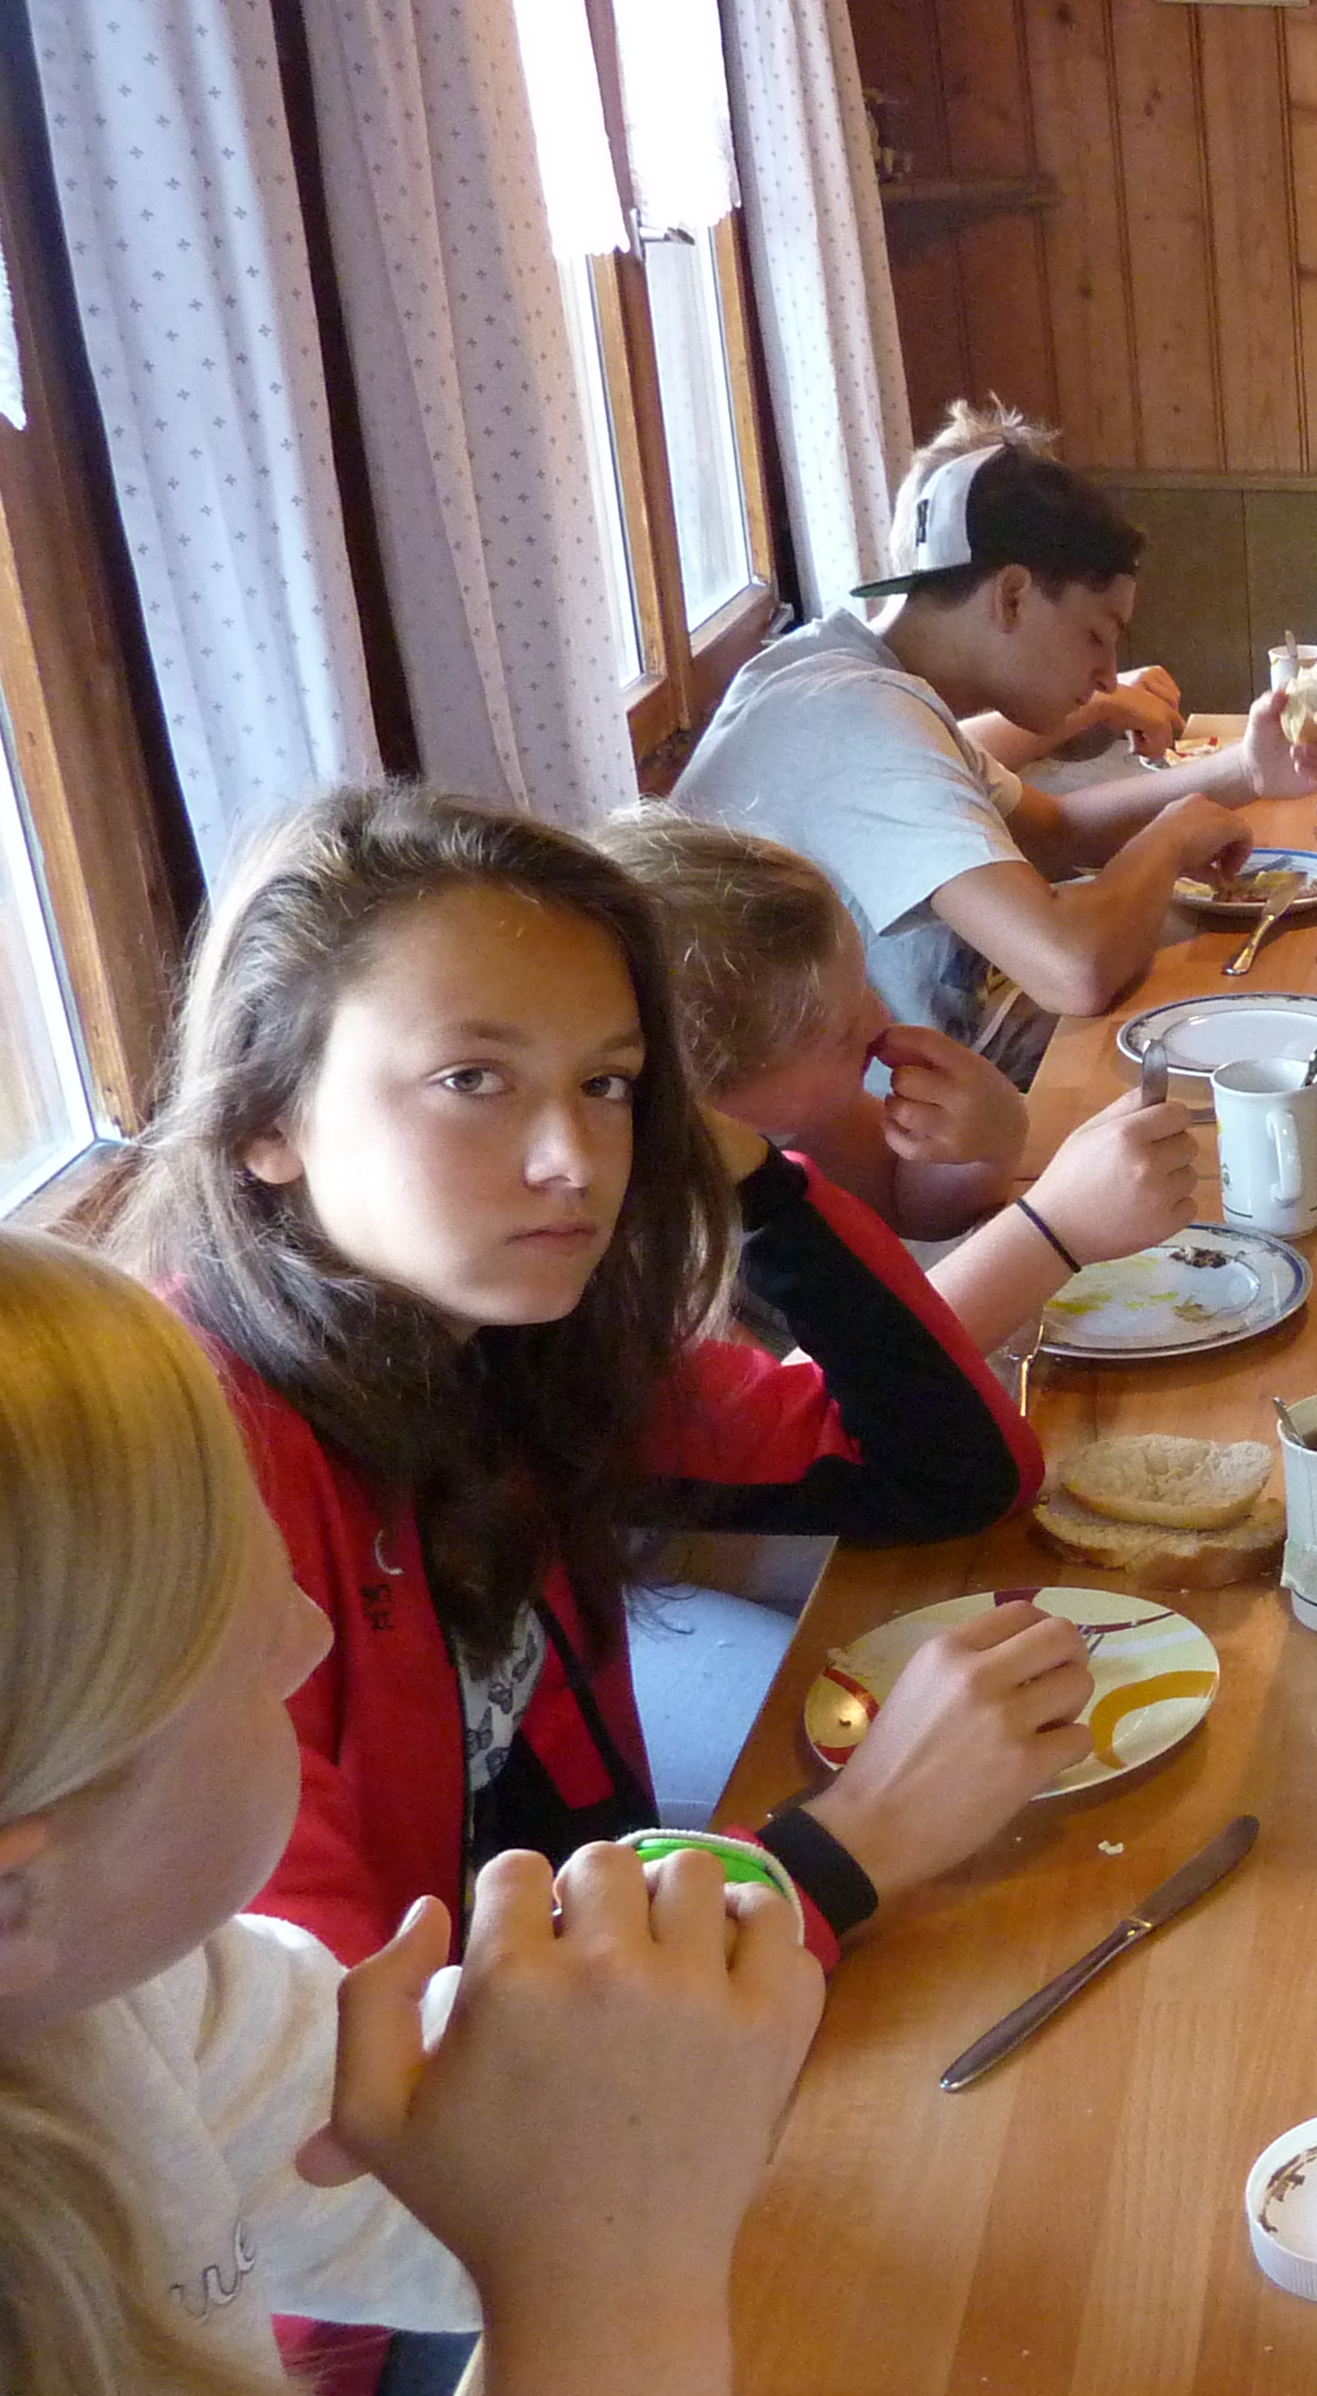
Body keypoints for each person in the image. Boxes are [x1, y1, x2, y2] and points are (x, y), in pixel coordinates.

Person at [0, 1229, 814, 2396]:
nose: (309, 1634)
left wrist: (622, 2089)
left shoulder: (131, 2005)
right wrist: (611, 2316)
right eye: (245, 1636)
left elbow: (472, 2173)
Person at [108, 783, 1094, 1982]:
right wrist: (852, 1845)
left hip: (609, 1946)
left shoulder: (510, 1345)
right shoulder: (177, 1501)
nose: (573, 1161)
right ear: (267, 1120)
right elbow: (350, 2049)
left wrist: (764, 1190)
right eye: (472, 1078)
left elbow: (946, 1471)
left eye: (607, 1084)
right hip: (524, 2055)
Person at [671, 398, 1317, 1073]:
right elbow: (1071, 969)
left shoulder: (856, 675)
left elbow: (1055, 832)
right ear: (1012, 595)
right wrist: (1167, 840)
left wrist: (1247, 771)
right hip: (846, 1118)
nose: (1109, 675)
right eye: (1097, 635)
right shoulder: (859, 715)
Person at [603, 808, 1200, 1353]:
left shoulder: (795, 1119)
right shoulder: (645, 1256)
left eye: (864, 986)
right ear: (706, 1100)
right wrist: (1053, 1233)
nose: (881, 1018)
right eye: (840, 1032)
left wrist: (980, 1145)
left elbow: (908, 1207)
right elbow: (841, 1389)